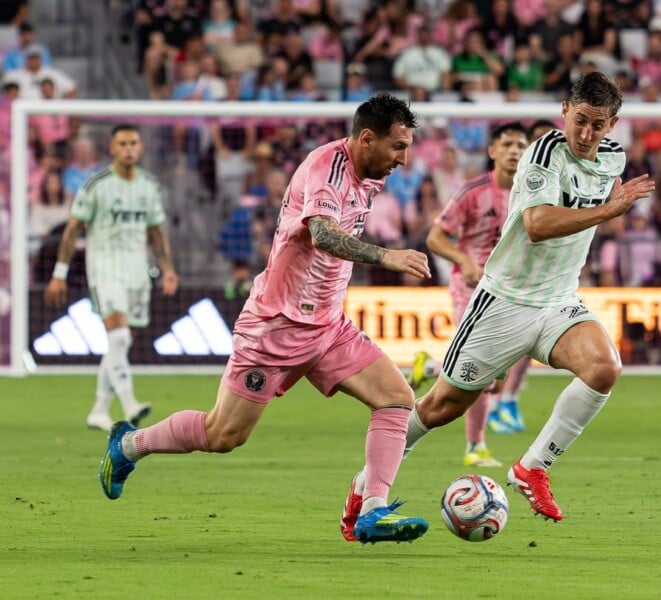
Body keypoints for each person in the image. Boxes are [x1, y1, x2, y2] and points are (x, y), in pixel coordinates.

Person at [97, 94, 432, 546]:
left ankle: (371, 509)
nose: (403, 160)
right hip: (277, 326)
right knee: (223, 434)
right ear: (367, 139)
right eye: (398, 147)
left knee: (396, 398)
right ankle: (128, 445)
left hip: (329, 327)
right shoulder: (327, 169)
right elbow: (322, 234)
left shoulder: (368, 176)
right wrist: (385, 256)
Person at [347, 72, 655, 528]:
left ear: (613, 125)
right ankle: (362, 490)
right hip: (504, 302)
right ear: (565, 112)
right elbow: (536, 225)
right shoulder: (543, 154)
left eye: (598, 125)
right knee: (439, 408)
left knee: (604, 368)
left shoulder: (613, 159)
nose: (587, 133)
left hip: (557, 299)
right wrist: (609, 210)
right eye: (580, 120)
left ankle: (532, 467)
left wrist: (606, 207)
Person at [407, 122, 530, 469]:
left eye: (521, 145)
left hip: (510, 291)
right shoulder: (472, 192)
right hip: (471, 288)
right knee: (482, 373)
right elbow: (435, 238)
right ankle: (475, 446)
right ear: (492, 151)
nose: (514, 151)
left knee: (495, 377)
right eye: (507, 144)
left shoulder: (531, 193)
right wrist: (463, 259)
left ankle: (430, 366)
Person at [44, 124, 178, 432]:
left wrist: (168, 269)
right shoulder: (97, 185)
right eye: (122, 143)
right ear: (112, 149)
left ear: (140, 148)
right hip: (104, 270)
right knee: (118, 338)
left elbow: (156, 232)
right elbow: (73, 229)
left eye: (133, 143)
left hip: (137, 272)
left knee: (121, 343)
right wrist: (59, 273)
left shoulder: (148, 187)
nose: (128, 148)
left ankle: (99, 410)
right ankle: (130, 404)